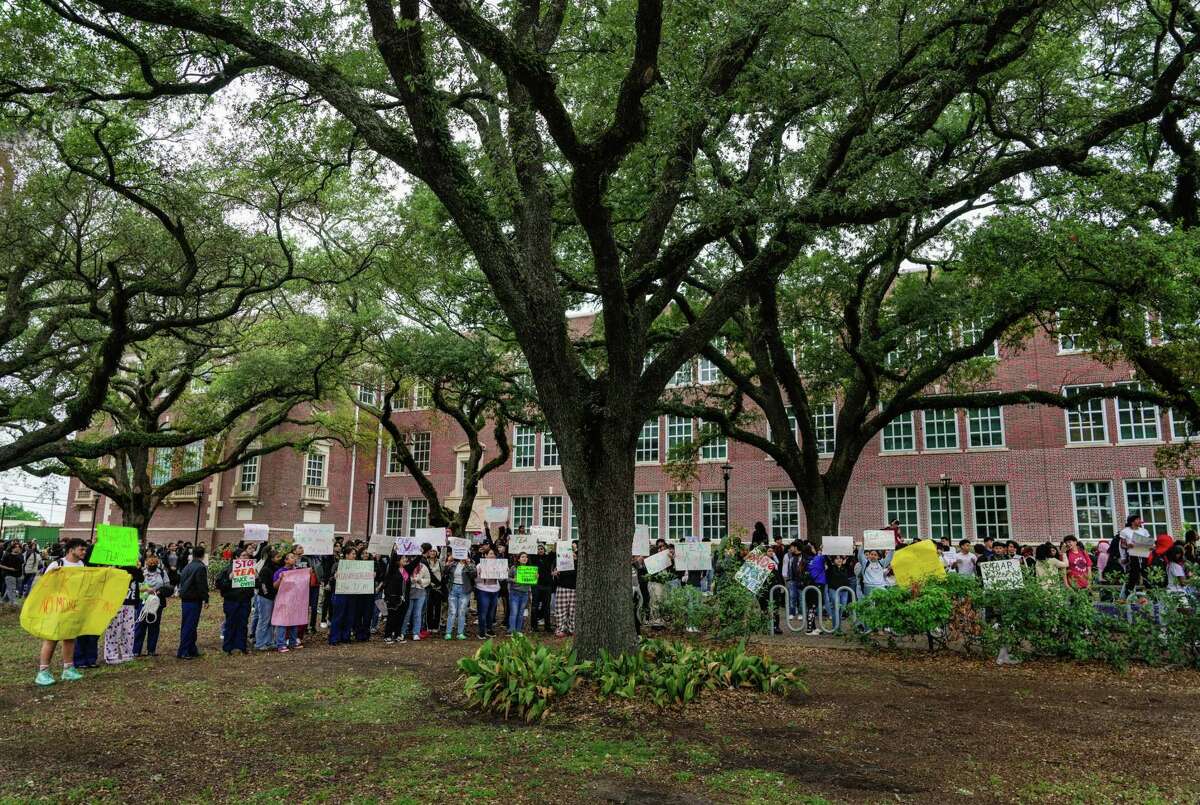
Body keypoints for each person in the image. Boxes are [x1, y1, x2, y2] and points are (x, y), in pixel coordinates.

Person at [34, 539, 89, 686]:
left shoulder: (81, 564)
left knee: (70, 637)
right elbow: (44, 585)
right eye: (81, 549)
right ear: (71, 550)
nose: (84, 552)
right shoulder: (57, 564)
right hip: (56, 607)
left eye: (85, 549)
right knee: (51, 638)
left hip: (73, 607)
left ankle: (68, 668)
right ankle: (43, 671)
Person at [215, 547, 254, 654]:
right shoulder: (227, 569)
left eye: (247, 555)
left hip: (245, 601)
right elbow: (219, 585)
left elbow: (257, 585)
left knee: (243, 624)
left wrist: (257, 577)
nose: (246, 557)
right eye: (243, 555)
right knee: (231, 623)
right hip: (231, 601)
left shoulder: (251, 568)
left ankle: (242, 646)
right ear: (237, 557)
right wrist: (229, 578)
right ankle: (228, 647)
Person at [103, 562, 141, 664]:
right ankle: (111, 655)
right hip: (116, 604)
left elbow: (141, 578)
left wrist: (138, 568)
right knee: (113, 630)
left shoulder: (135, 571)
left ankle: (127, 653)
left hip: (130, 603)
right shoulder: (114, 571)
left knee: (128, 630)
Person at [135, 553, 172, 656]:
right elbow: (137, 586)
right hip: (143, 602)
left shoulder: (162, 573)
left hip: (157, 603)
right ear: (146, 563)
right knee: (140, 626)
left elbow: (168, 586)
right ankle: (136, 650)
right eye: (150, 562)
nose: (152, 564)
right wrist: (147, 590)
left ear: (157, 562)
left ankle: (151, 650)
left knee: (154, 626)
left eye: (155, 562)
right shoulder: (141, 572)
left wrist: (160, 591)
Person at [176, 545, 208, 659]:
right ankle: (183, 650)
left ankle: (191, 648)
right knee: (190, 626)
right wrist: (206, 598)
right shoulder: (200, 567)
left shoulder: (187, 566)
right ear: (203, 555)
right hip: (194, 599)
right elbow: (202, 585)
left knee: (189, 624)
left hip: (186, 598)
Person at [272, 551, 302, 652]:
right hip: (283, 599)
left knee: (294, 620)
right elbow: (275, 586)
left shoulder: (298, 571)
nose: (294, 559)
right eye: (292, 557)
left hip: (295, 599)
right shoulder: (280, 572)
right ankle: (281, 644)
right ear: (286, 560)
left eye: (294, 557)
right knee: (282, 621)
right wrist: (280, 579)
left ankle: (293, 642)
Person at [253, 551, 282, 651]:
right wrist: (268, 595)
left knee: (271, 621)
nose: (279, 559)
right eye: (277, 557)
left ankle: (269, 641)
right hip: (265, 598)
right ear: (272, 558)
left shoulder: (277, 568)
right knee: (264, 620)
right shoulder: (266, 570)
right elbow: (263, 584)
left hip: (273, 596)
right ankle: (259, 643)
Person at [443, 553, 474, 640]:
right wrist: (448, 562)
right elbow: (445, 572)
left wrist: (469, 564)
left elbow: (474, 575)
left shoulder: (470, 564)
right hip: (453, 588)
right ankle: (448, 632)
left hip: (464, 590)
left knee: (462, 611)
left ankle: (460, 633)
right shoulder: (453, 564)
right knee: (452, 611)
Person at [400, 551, 430, 641]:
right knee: (407, 613)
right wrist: (411, 580)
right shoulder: (407, 566)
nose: (413, 559)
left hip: (420, 592)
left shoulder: (423, 567)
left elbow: (428, 579)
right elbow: (403, 577)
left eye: (415, 557)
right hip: (409, 592)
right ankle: (402, 632)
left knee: (418, 613)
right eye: (412, 557)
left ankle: (416, 633)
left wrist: (420, 581)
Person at [381, 553, 410, 644]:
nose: (405, 559)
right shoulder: (393, 570)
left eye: (405, 557)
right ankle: (388, 635)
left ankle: (397, 635)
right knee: (392, 617)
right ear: (398, 561)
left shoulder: (405, 570)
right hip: (393, 598)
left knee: (400, 618)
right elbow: (392, 561)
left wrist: (420, 553)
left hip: (404, 598)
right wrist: (395, 551)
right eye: (403, 558)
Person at [475, 546, 501, 639]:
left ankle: (489, 629)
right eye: (490, 554)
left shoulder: (499, 565)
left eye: (494, 554)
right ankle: (482, 632)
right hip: (483, 590)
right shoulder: (479, 566)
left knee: (491, 612)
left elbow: (501, 578)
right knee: (483, 612)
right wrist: (480, 575)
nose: (492, 556)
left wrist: (504, 572)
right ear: (485, 555)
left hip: (495, 590)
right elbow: (476, 580)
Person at [552, 543, 578, 637]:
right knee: (561, 610)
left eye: (572, 550)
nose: (570, 552)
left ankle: (572, 629)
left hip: (574, 588)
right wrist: (554, 573)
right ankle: (560, 629)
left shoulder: (578, 560)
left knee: (573, 610)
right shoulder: (558, 560)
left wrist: (576, 560)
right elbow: (553, 572)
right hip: (562, 587)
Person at [508, 552, 533, 634]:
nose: (524, 558)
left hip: (525, 593)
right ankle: (512, 631)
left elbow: (532, 582)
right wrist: (513, 580)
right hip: (514, 593)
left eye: (526, 557)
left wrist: (535, 578)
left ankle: (518, 631)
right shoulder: (514, 568)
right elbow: (506, 578)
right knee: (514, 612)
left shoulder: (530, 569)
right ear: (518, 559)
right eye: (522, 557)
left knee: (521, 613)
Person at [530, 543, 554, 632]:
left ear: (544, 550)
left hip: (547, 586)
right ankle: (534, 626)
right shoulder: (533, 558)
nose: (540, 550)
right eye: (538, 549)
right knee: (535, 606)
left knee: (546, 607)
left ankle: (547, 626)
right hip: (536, 585)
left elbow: (554, 550)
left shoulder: (549, 557)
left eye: (541, 549)